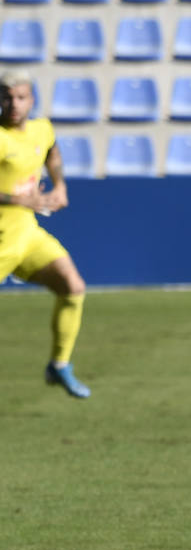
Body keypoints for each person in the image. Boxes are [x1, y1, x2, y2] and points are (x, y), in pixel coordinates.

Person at [0, 70, 91, 399]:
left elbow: (51, 152)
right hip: (2, 237)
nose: (13, 104)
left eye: (20, 97)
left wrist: (60, 185)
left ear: (31, 99)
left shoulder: (42, 128)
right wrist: (20, 199)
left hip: (27, 235)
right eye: (7, 97)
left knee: (73, 287)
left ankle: (59, 364)